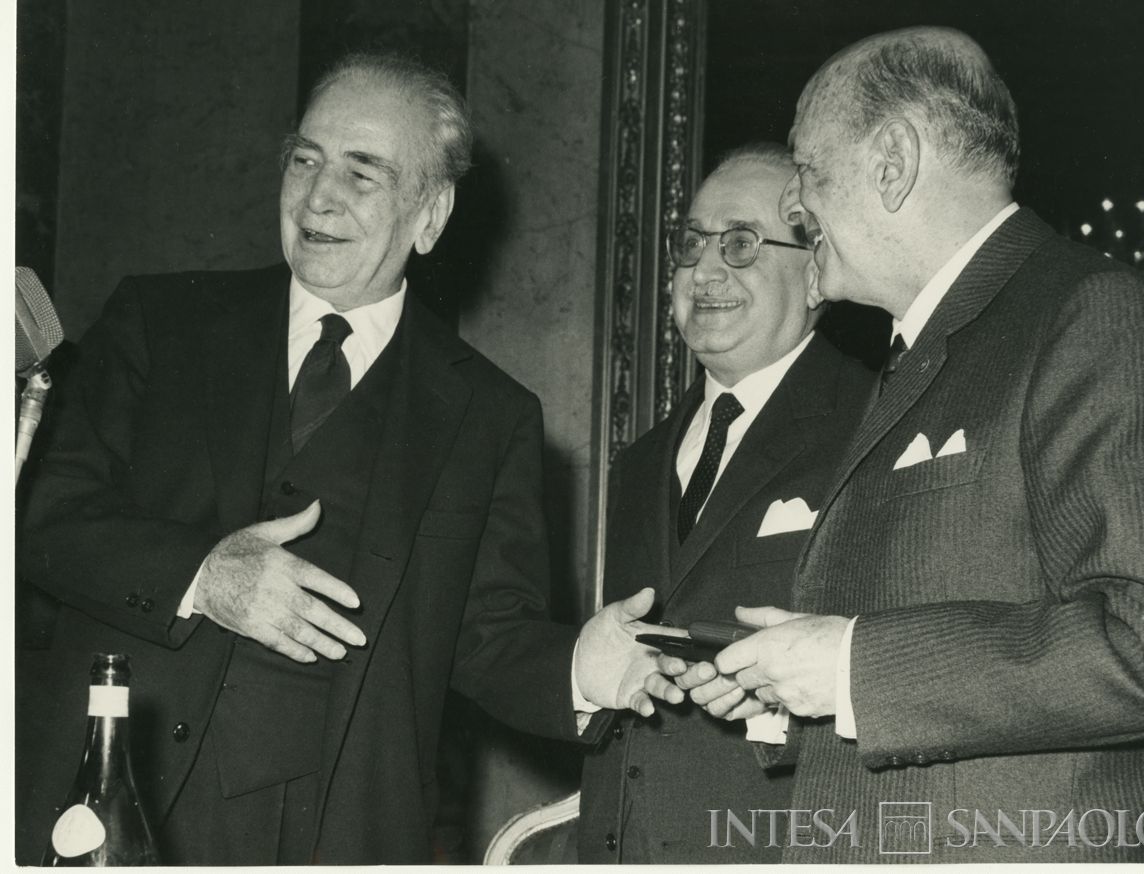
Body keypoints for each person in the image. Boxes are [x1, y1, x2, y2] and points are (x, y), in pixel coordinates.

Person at [17, 51, 673, 865]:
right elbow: (40, 517)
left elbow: (489, 636)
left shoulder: (490, 417)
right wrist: (202, 575)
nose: (318, 198)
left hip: (333, 836)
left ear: (430, 216)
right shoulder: (159, 322)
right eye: (304, 161)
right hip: (103, 801)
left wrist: (580, 668)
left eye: (362, 175)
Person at [667, 26, 1144, 862]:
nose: (796, 207)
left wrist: (849, 666)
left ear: (892, 162)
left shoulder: (1087, 315)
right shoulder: (925, 350)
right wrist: (788, 689)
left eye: (806, 168)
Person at [576, 145, 875, 863]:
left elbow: (909, 678)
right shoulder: (641, 459)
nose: (704, 272)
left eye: (740, 244)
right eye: (690, 245)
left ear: (815, 273)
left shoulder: (876, 425)